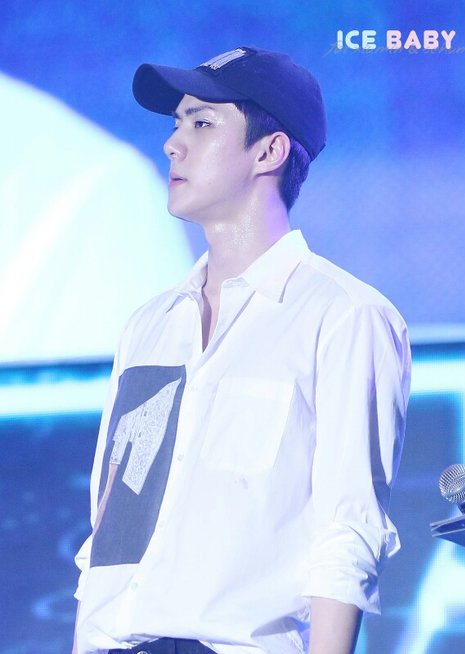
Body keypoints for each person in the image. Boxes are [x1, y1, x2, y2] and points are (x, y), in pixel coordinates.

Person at [73, 46, 411, 654]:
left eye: (201, 123)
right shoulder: (149, 326)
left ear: (269, 151)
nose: (173, 144)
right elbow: (109, 526)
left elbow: (348, 531)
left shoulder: (342, 316)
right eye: (176, 124)